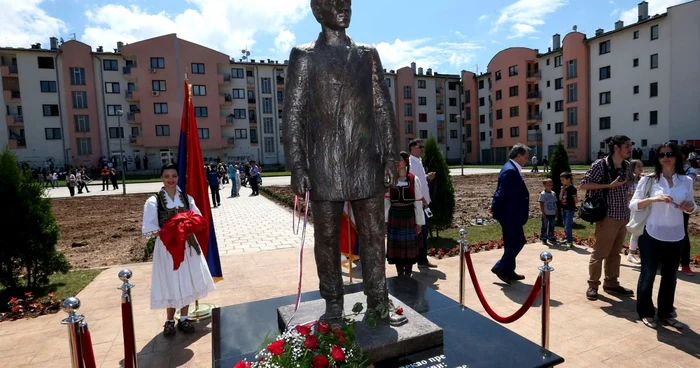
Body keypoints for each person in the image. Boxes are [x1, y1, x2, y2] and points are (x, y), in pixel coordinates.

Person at [282, 0, 405, 326]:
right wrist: (297, 165)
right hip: (324, 166)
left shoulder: (367, 55)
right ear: (318, 10)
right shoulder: (305, 56)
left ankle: (378, 301)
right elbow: (293, 115)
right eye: (335, 3)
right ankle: (333, 303)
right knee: (326, 239)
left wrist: (391, 156)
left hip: (366, 163)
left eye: (347, 3)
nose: (343, 8)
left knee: (374, 236)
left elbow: (382, 108)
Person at [141, 163, 216, 336]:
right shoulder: (154, 201)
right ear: (161, 178)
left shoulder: (187, 198)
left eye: (174, 176)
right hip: (168, 247)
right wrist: (171, 230)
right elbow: (150, 227)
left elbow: (197, 217)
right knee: (170, 280)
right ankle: (169, 320)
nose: (171, 180)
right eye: (167, 176)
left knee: (186, 279)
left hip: (187, 245)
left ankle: (183, 318)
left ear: (178, 177)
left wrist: (187, 224)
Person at [630, 142, 696, 329]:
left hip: (676, 235)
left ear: (676, 157)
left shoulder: (686, 181)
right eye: (661, 155)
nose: (665, 157)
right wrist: (653, 199)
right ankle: (646, 312)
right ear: (657, 158)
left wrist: (689, 207)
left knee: (670, 277)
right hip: (651, 233)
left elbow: (693, 205)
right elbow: (633, 204)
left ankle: (665, 312)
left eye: (669, 154)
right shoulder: (648, 180)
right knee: (648, 274)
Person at [580, 135, 634, 301]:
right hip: (607, 216)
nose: (630, 149)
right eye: (627, 146)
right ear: (616, 148)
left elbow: (629, 185)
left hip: (623, 215)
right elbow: (583, 185)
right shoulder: (600, 165)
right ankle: (593, 285)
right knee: (599, 253)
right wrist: (608, 186)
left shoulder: (626, 166)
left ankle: (611, 283)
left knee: (615, 254)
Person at [489, 143, 530, 284]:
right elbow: (501, 191)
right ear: (518, 155)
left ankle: (509, 271)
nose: (527, 160)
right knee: (518, 241)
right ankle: (500, 267)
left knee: (510, 243)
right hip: (510, 214)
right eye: (526, 157)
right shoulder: (510, 170)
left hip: (511, 213)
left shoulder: (511, 168)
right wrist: (494, 206)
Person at [385, 152, 425, 277]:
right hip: (394, 217)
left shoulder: (413, 179)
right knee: (397, 246)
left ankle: (408, 273)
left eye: (400, 160)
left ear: (406, 162)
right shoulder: (390, 180)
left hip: (409, 216)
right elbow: (387, 202)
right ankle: (399, 273)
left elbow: (418, 202)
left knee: (409, 247)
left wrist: (419, 222)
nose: (397, 163)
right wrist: (385, 220)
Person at [408, 139, 438, 268]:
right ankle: (420, 259)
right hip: (419, 203)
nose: (422, 149)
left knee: (423, 232)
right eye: (420, 147)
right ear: (412, 148)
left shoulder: (418, 162)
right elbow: (413, 184)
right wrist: (422, 200)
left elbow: (419, 180)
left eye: (423, 147)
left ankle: (421, 259)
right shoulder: (411, 163)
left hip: (423, 202)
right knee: (421, 231)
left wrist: (427, 177)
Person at [680, 145, 697, 276]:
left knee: (683, 234)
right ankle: (661, 260)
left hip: (683, 207)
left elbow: (687, 186)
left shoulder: (690, 171)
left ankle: (685, 264)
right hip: (668, 206)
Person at [626, 159, 644, 264]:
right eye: (638, 166)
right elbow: (626, 195)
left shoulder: (642, 180)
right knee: (624, 231)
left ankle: (631, 253)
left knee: (636, 230)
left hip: (638, 208)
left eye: (642, 166)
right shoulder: (629, 181)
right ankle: (613, 251)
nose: (641, 169)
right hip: (628, 208)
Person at [560, 172, 578, 248]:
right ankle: (567, 238)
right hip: (563, 208)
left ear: (568, 179)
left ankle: (569, 241)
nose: (562, 182)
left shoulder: (572, 189)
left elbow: (576, 200)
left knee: (568, 225)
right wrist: (562, 190)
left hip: (570, 209)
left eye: (563, 180)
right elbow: (560, 198)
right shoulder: (564, 188)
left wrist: (574, 205)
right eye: (561, 180)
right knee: (565, 225)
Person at [539, 179, 557, 245]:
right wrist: (543, 213)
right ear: (544, 185)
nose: (550, 186)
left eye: (551, 185)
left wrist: (556, 212)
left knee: (552, 226)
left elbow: (555, 203)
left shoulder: (553, 193)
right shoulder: (543, 194)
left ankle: (551, 236)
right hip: (546, 213)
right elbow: (541, 204)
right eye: (548, 185)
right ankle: (544, 238)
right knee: (544, 226)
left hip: (552, 213)